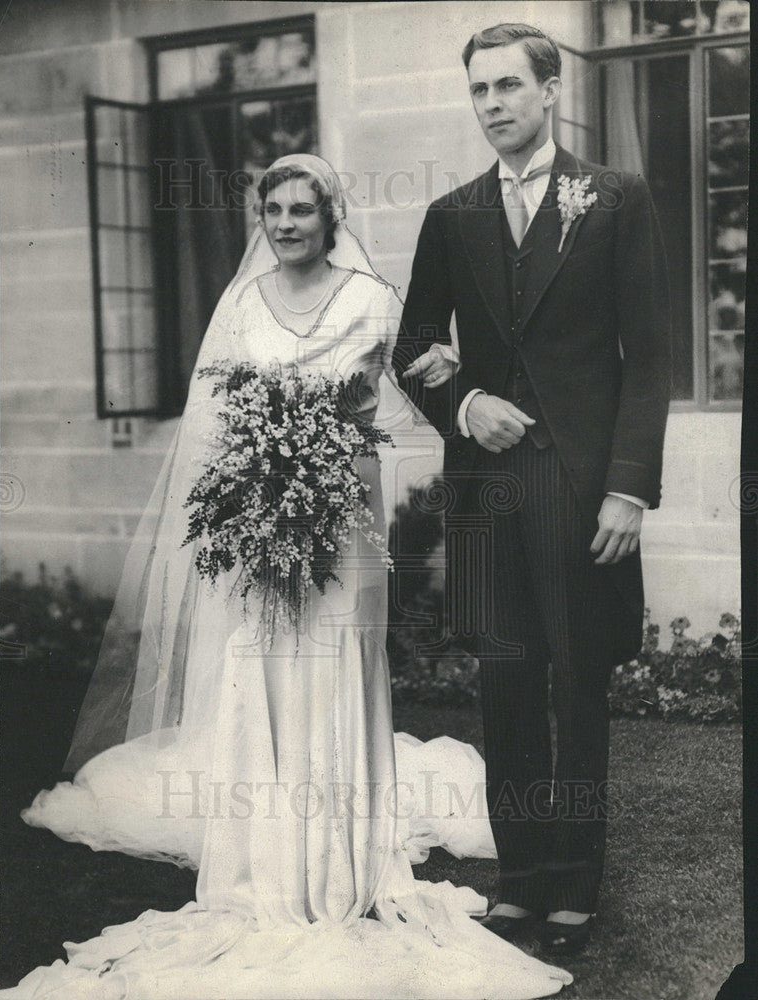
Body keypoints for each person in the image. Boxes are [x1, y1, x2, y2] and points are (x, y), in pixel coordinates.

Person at [0, 155, 573, 1000]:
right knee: (260, 679)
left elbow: (421, 384)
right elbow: (213, 419)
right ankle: (267, 861)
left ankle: (342, 860)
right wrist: (249, 491)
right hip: (258, 525)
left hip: (343, 526)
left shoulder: (372, 299)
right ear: (260, 219)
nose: (288, 224)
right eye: (275, 211)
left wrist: (465, 394)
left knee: (336, 672)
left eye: (303, 209)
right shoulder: (238, 303)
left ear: (333, 213)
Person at [394, 23, 671, 955]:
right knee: (503, 685)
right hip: (485, 493)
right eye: (478, 91)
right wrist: (464, 401)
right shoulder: (452, 213)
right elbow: (413, 347)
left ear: (549, 90)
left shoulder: (615, 198)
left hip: (583, 485)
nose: (492, 106)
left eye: (508, 86)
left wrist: (628, 489)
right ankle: (518, 881)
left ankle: (574, 888)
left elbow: (648, 358)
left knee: (576, 684)